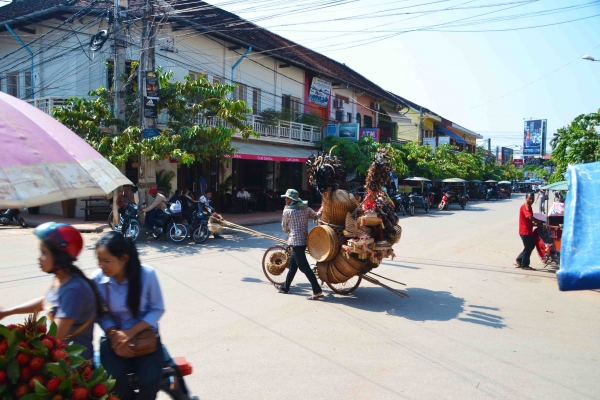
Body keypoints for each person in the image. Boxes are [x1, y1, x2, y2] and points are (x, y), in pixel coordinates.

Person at [0, 222, 102, 360]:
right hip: (56, 358)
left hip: (72, 366)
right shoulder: (62, 279)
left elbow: (54, 339)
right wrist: (7, 312)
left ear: (60, 256)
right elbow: (47, 302)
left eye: (44, 253)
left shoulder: (74, 290)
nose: (39, 258)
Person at [92, 231, 164, 400]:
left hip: (144, 336)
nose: (101, 265)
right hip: (112, 338)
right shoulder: (97, 279)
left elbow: (157, 309)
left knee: (150, 381)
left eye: (106, 261)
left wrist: (130, 333)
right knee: (113, 381)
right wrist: (113, 334)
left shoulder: (147, 275)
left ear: (123, 259)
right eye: (99, 260)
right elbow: (100, 313)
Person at [275, 189, 323, 300]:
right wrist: (324, 207)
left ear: (291, 200)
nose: (285, 200)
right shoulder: (305, 209)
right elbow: (316, 216)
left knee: (304, 267)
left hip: (295, 242)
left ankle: (317, 291)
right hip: (304, 242)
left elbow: (284, 227)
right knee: (292, 266)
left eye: (287, 198)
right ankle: (285, 288)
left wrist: (290, 232)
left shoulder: (287, 212)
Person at [515, 193, 545, 271]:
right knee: (529, 247)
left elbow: (528, 220)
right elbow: (530, 217)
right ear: (526, 198)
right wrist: (538, 221)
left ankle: (519, 259)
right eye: (529, 198)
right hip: (525, 231)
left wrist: (536, 224)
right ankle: (524, 265)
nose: (531, 200)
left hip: (528, 231)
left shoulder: (529, 207)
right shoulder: (525, 207)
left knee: (530, 246)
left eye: (532, 198)